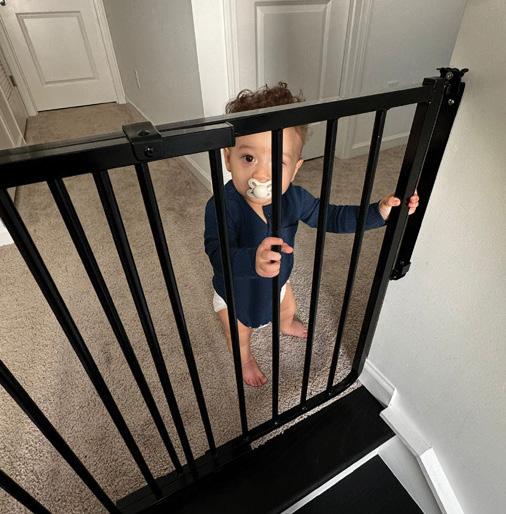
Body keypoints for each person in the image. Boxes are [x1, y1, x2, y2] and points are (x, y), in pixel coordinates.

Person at [204, 82, 419, 387]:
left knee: (288, 306)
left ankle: (285, 322)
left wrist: (379, 212)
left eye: (277, 163)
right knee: (239, 337)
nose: (261, 175)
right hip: (234, 296)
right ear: (229, 158)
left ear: (294, 169)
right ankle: (246, 360)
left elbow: (333, 216)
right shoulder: (221, 205)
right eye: (248, 158)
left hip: (278, 284)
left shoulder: (295, 198)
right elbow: (217, 253)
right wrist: (252, 260)